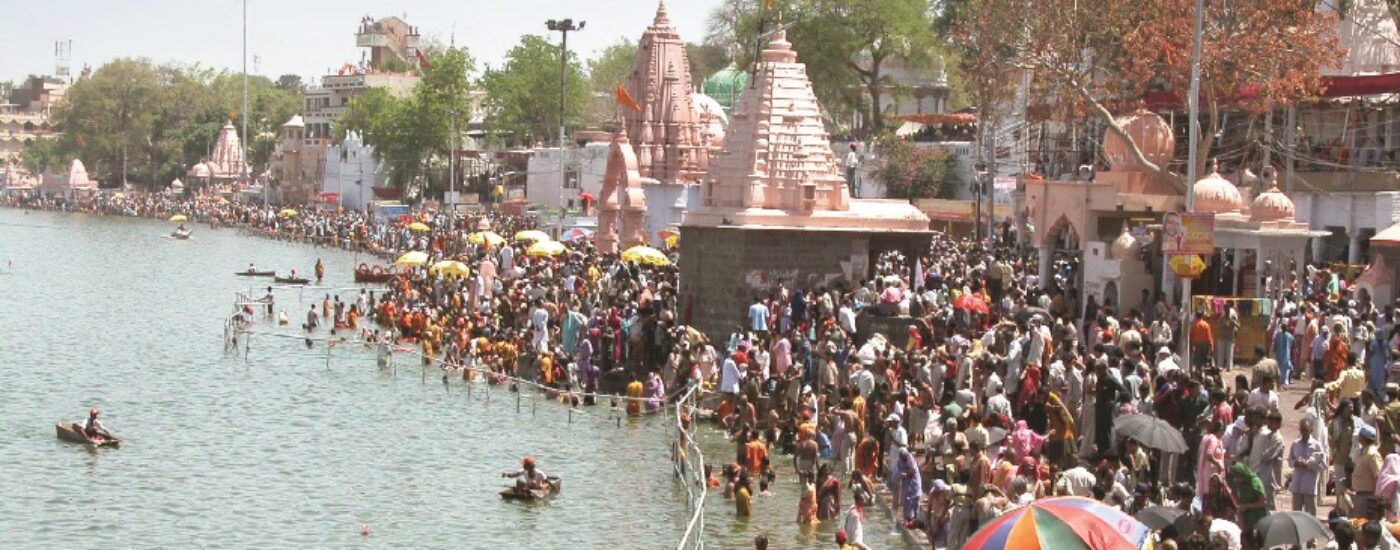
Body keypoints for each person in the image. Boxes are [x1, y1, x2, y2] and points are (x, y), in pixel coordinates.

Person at [1288, 418, 1325, 514]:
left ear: (1311, 429)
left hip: (1309, 487)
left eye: (1306, 430)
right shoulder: (1295, 444)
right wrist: (1296, 463)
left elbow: (1322, 466)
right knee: (1296, 514)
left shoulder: (1317, 445)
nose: (1304, 432)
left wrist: (1308, 465)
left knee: (1310, 515)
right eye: (1302, 430)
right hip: (1297, 486)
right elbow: (1290, 461)